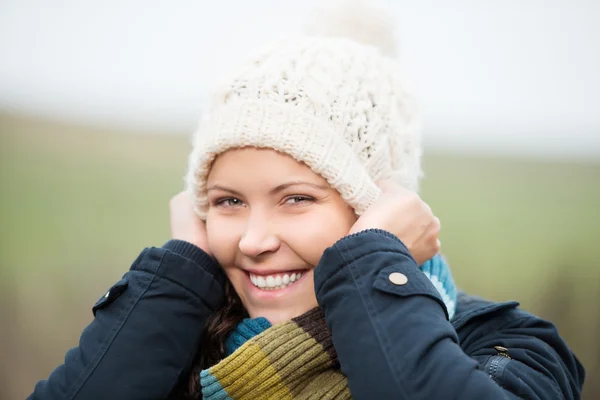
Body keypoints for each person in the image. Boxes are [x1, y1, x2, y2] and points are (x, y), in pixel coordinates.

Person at [29, 6, 584, 400]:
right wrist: (179, 271)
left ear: (376, 206)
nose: (253, 240)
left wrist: (372, 262)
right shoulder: (167, 344)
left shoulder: (506, 347)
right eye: (227, 201)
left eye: (296, 198)